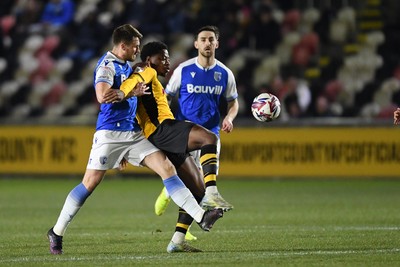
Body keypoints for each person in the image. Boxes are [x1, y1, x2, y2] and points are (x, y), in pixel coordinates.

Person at [46, 24, 223, 255]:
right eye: (135, 46)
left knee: (167, 167)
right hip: (110, 133)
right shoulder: (107, 65)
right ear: (123, 45)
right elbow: (102, 96)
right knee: (89, 183)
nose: (137, 51)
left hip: (133, 134)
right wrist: (129, 92)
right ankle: (57, 232)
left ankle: (202, 216)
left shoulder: (129, 66)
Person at [119, 37, 235, 251]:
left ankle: (177, 242)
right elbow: (133, 81)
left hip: (161, 133)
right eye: (162, 58)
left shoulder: (150, 79)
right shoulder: (146, 71)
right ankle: (212, 193)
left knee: (195, 189)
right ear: (149, 60)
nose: (167, 62)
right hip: (163, 129)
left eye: (168, 58)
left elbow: (134, 110)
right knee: (210, 138)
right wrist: (121, 91)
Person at [153, 25, 239, 219]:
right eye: (203, 39)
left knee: (200, 185)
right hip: (187, 133)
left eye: (211, 40)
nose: (207, 43)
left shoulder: (225, 74)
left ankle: (182, 226)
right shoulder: (183, 70)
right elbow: (166, 97)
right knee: (195, 183)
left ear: (217, 43)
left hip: (211, 134)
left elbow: (233, 102)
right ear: (196, 44)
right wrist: (167, 123)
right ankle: (173, 204)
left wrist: (229, 117)